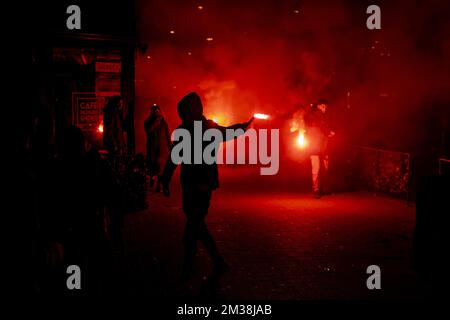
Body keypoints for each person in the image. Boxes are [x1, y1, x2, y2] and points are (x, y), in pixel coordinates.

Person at [160, 92, 254, 282]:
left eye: (185, 110)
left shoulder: (196, 128)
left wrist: (244, 126)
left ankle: (189, 266)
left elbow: (229, 132)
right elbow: (174, 157)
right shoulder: (200, 128)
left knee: (193, 226)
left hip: (200, 184)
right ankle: (217, 261)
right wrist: (244, 126)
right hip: (196, 184)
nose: (183, 114)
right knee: (197, 223)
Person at [304, 99, 335, 198]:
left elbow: (323, 128)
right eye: (323, 107)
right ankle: (317, 189)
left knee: (323, 168)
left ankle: (319, 189)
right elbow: (319, 128)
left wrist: (328, 133)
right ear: (318, 106)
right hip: (316, 146)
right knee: (318, 169)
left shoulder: (323, 116)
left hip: (322, 146)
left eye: (325, 107)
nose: (325, 109)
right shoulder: (315, 116)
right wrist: (328, 133)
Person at [144, 104, 171, 191]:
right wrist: (155, 123)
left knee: (161, 167)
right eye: (155, 111)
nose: (157, 113)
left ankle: (159, 185)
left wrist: (170, 146)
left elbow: (167, 135)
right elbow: (148, 131)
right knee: (152, 165)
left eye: (158, 111)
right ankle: (152, 178)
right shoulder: (148, 122)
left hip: (162, 148)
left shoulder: (164, 122)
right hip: (152, 147)